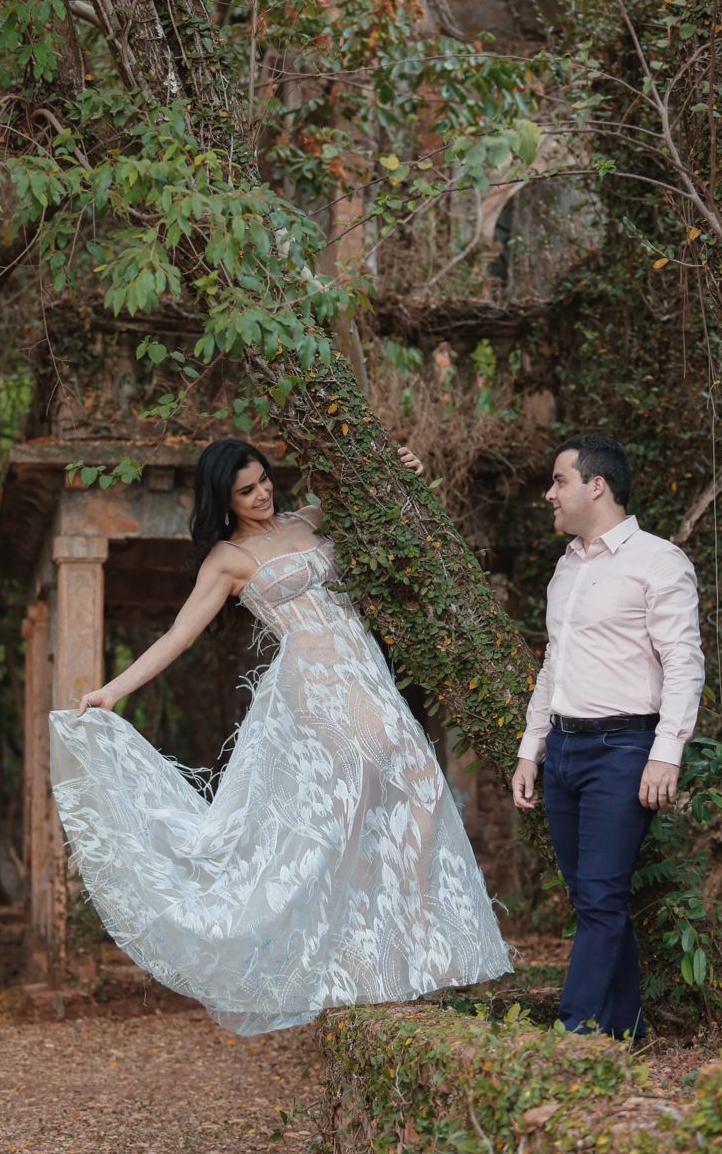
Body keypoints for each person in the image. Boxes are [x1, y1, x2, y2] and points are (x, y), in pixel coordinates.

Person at [50, 437, 511, 1036]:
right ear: (224, 500)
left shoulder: (307, 519)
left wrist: (403, 469)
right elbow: (179, 635)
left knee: (417, 789)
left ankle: (399, 940)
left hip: (366, 670)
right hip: (315, 684)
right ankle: (387, 945)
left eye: (264, 480)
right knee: (372, 797)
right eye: (246, 491)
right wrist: (112, 691)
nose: (262, 494)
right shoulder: (227, 559)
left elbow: (378, 503)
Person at [511, 433, 703, 1042]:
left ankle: (573, 1036)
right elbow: (552, 665)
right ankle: (626, 1031)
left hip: (624, 750)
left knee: (599, 897)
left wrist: (666, 754)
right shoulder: (566, 568)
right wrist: (531, 749)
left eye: (558, 481)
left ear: (596, 486)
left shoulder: (658, 562)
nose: (549, 494)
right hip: (564, 750)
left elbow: (684, 664)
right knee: (593, 901)